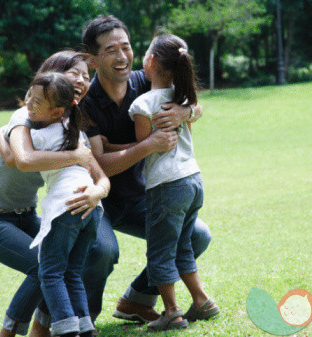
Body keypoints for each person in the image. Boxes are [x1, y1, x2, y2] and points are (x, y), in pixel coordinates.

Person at [78, 15, 212, 324]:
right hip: (101, 201)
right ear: (92, 59)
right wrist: (147, 145)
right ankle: (83, 319)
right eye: (111, 49)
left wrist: (185, 111)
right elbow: (99, 167)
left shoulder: (147, 81)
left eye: (125, 47)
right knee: (102, 251)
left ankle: (136, 301)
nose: (122, 56)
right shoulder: (86, 102)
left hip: (144, 196)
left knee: (198, 236)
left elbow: (195, 104)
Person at [0, 50, 93, 337]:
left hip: (27, 214)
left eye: (87, 76)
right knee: (44, 268)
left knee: (63, 261)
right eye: (75, 73)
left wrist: (96, 192)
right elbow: (20, 160)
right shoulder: (27, 114)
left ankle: (42, 330)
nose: (82, 80)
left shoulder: (66, 123)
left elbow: (96, 171)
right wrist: (74, 156)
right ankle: (9, 334)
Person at [129, 33, 219, 331]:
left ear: (151, 62)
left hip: (166, 186)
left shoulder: (143, 104)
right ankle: (202, 300)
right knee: (182, 247)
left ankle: (172, 311)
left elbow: (143, 146)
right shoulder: (182, 100)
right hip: (193, 180)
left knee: (160, 251)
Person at [23, 71, 109, 337]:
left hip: (66, 206)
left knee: (50, 274)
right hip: (91, 208)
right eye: (29, 97)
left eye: (38, 102)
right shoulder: (75, 130)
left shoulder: (37, 136)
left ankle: (65, 331)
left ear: (57, 110)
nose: (29, 105)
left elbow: (18, 157)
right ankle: (85, 329)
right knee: (72, 273)